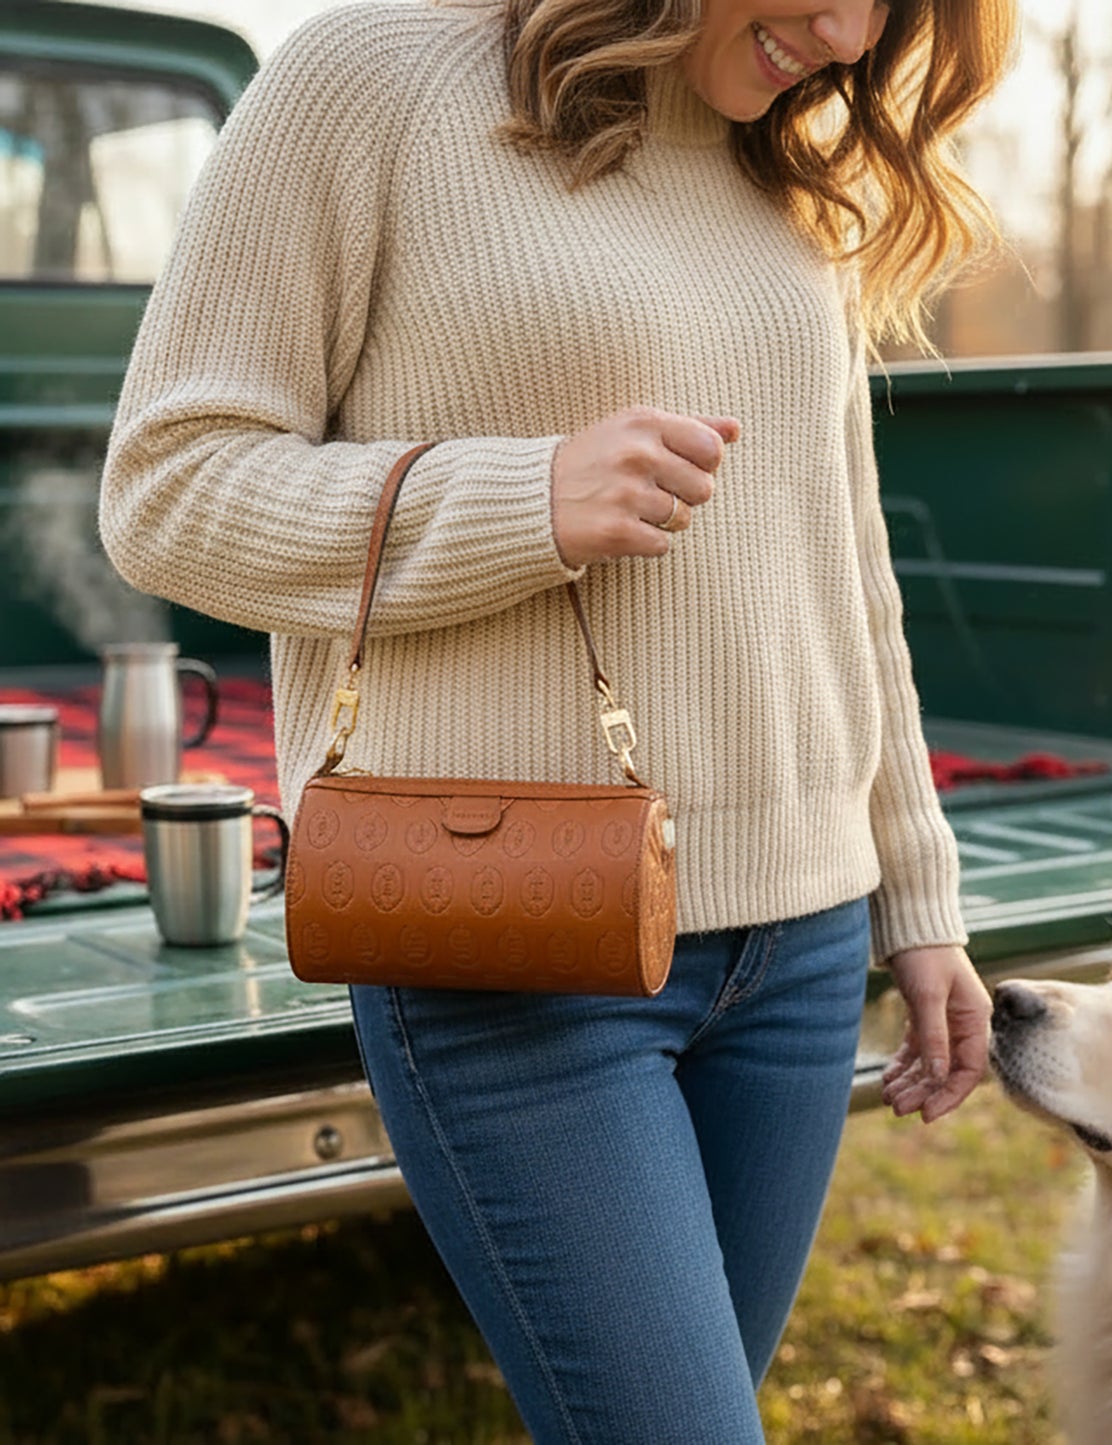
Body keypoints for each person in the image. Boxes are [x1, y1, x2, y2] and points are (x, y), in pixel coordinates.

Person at [99, 0, 1016, 1437]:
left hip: (799, 944)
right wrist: (515, 500)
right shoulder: (371, 81)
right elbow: (166, 492)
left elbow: (841, 566)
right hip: (509, 935)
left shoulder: (786, 173)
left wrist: (921, 894)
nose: (846, 34)